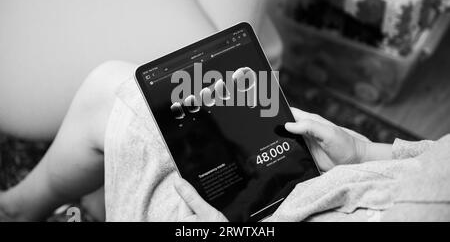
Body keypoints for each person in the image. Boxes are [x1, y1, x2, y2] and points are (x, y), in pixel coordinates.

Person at [1, 61, 449, 222]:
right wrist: (366, 151)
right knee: (197, 111)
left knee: (114, 95)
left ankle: (18, 211)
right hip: (332, 182)